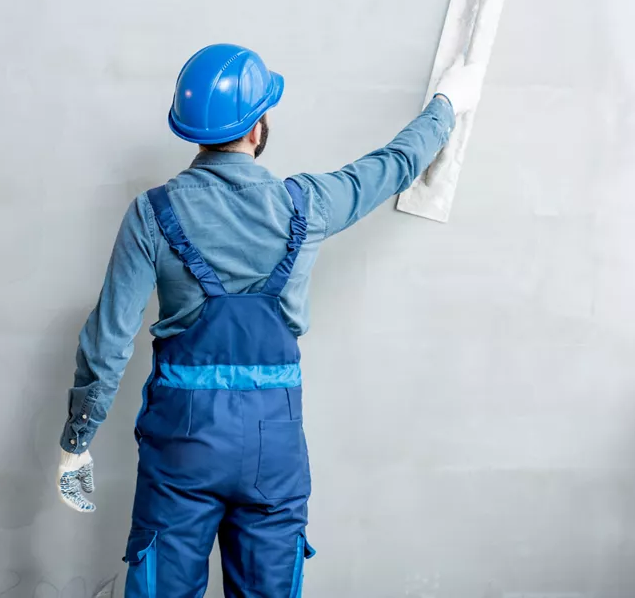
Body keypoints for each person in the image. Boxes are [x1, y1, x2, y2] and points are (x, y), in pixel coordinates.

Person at [55, 43, 485, 597]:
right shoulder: (308, 204)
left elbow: (109, 337)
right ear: (258, 126)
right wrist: (447, 103)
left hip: (183, 445)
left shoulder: (152, 213)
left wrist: (78, 438)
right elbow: (394, 165)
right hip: (273, 447)